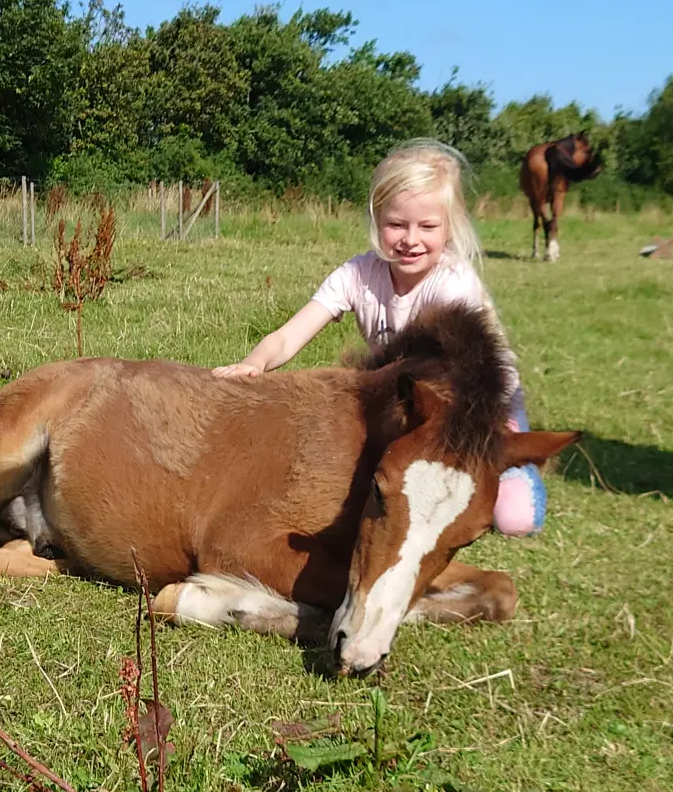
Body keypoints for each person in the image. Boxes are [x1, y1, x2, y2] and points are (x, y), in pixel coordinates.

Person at [213, 139, 546, 536]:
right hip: (404, 401)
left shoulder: (453, 284)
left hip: (481, 403)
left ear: (450, 227)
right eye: (396, 224)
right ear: (376, 218)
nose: (410, 239)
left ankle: (521, 479)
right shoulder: (357, 274)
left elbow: (463, 383)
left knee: (514, 518)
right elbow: (289, 335)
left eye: (427, 226)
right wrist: (255, 364)